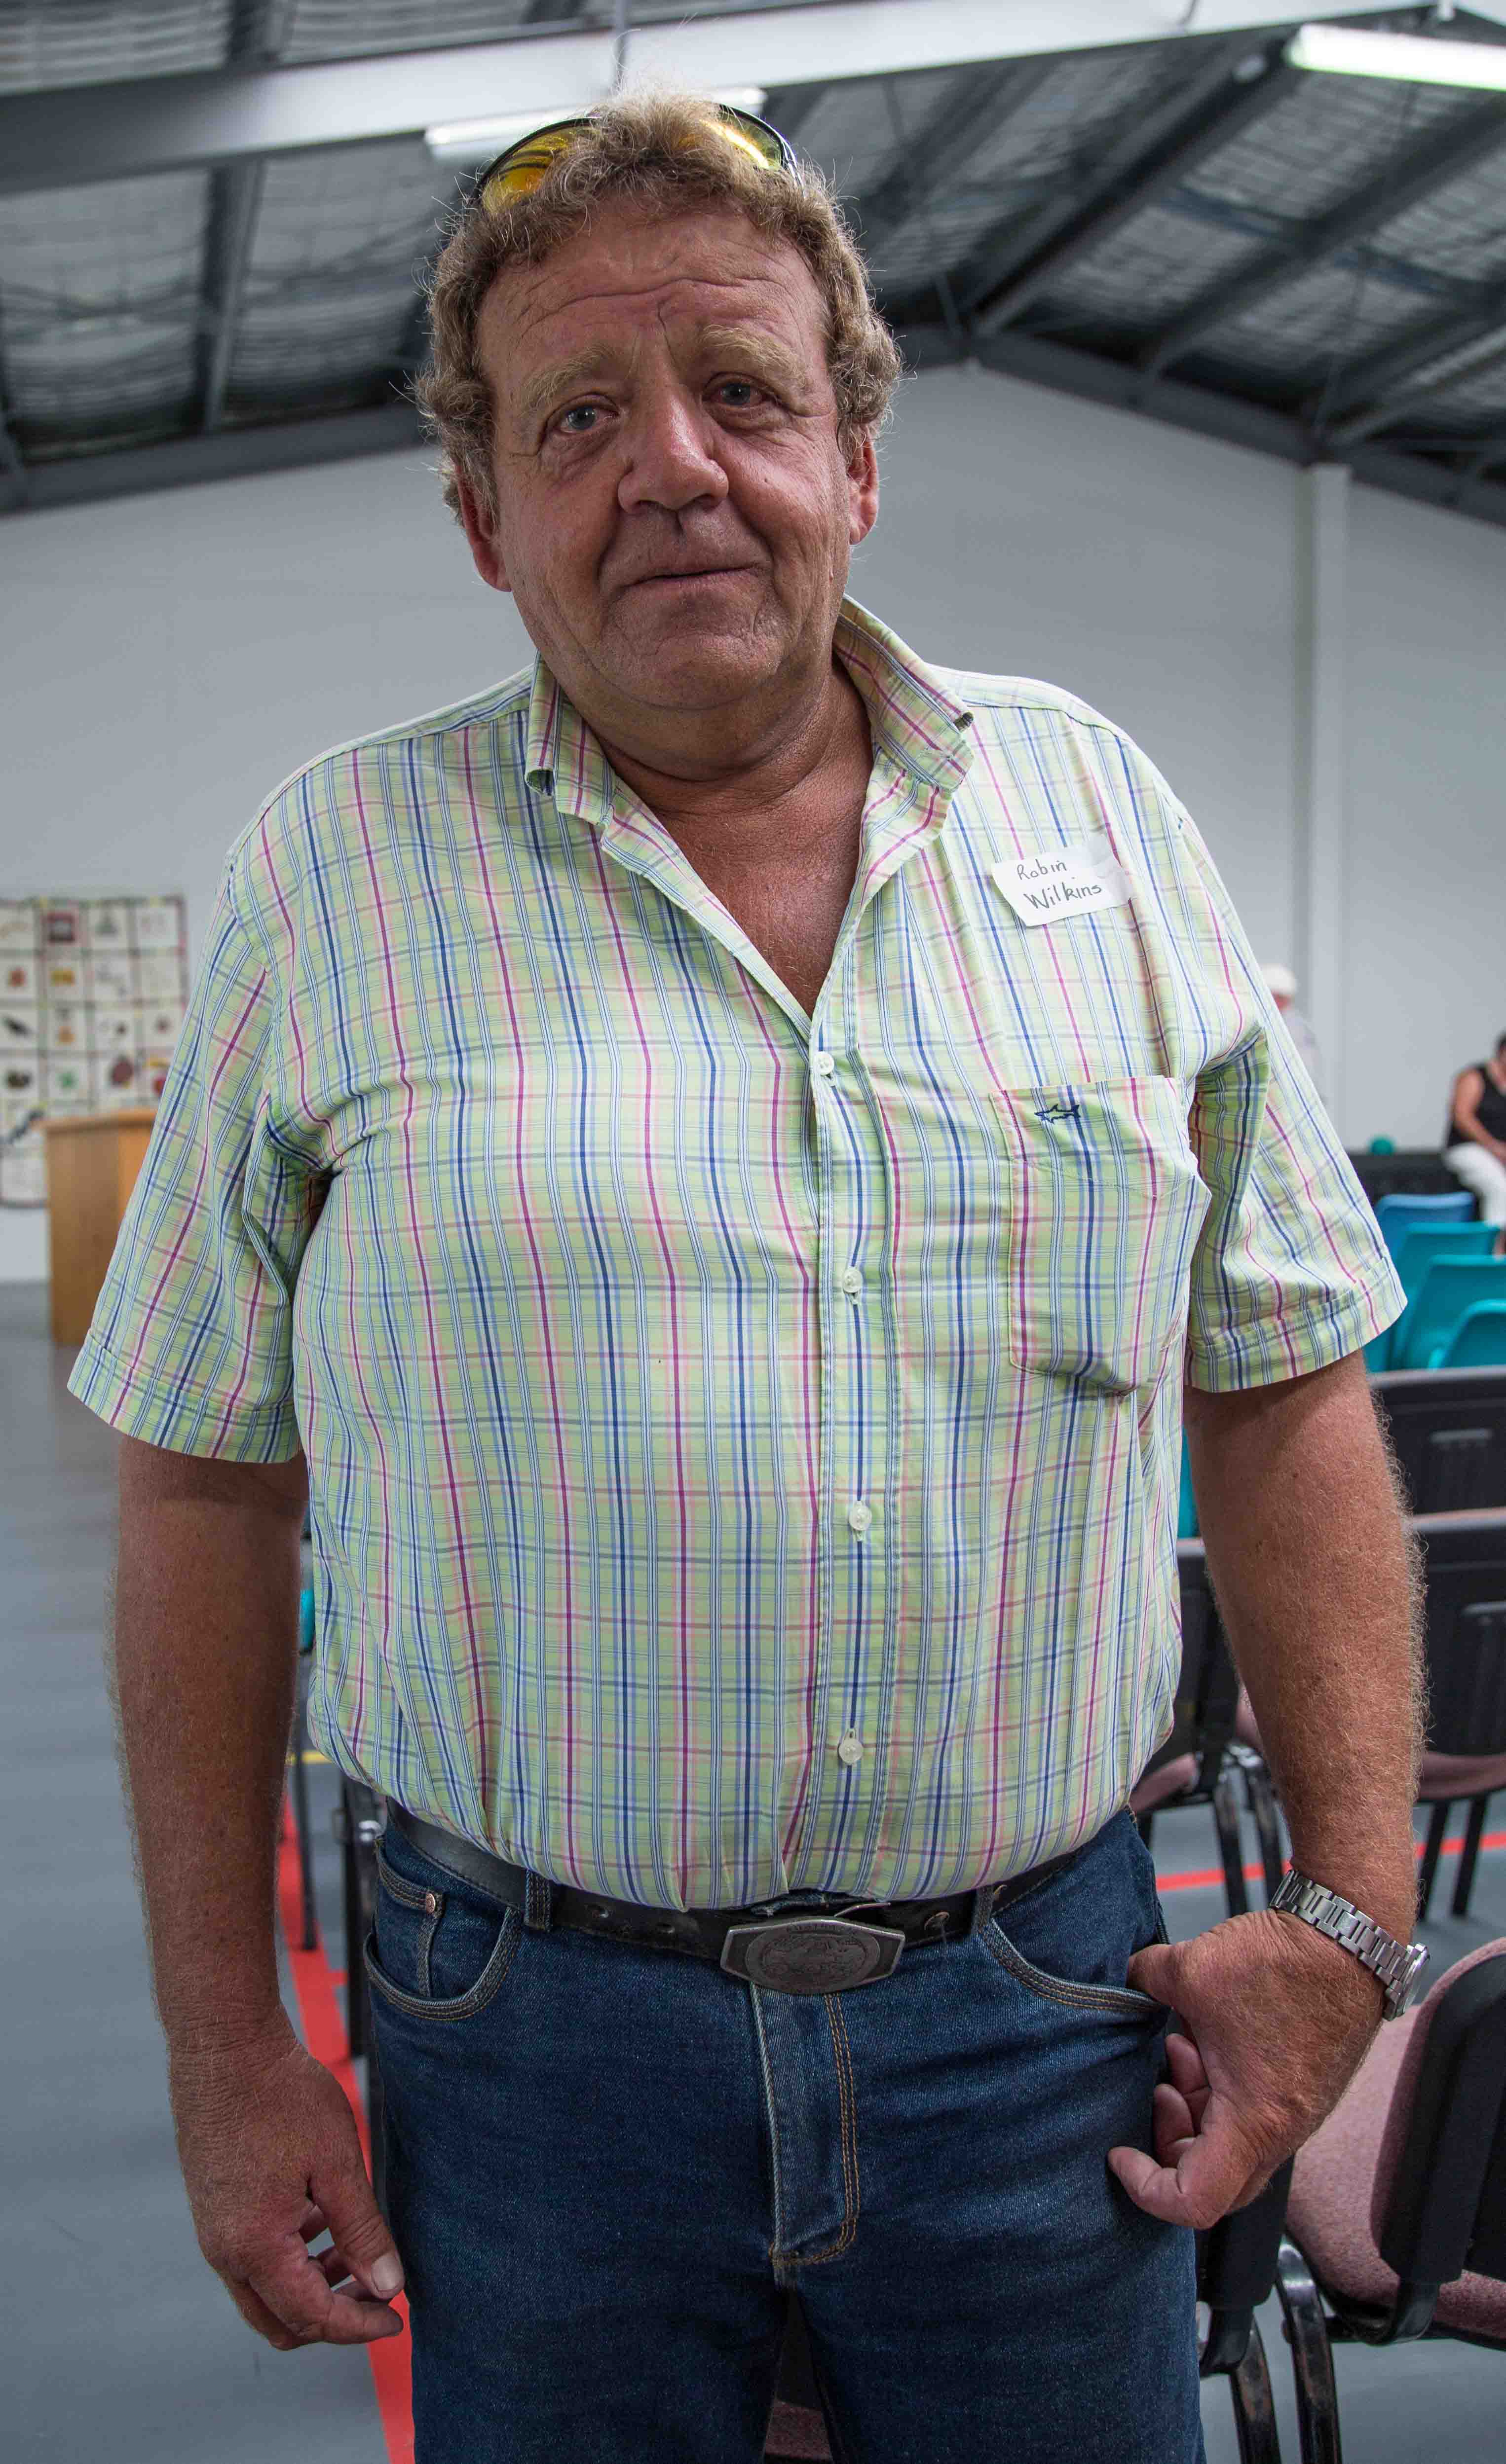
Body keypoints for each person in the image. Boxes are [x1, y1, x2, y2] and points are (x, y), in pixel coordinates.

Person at [72, 93, 1426, 2464]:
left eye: (741, 390)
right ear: (483, 517)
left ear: (855, 459)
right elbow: (203, 1483)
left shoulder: (1099, 817)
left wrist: (1351, 1921)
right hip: (521, 2038)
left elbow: (1286, 1383)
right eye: (578, 417)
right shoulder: (334, 877)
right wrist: (222, 2039)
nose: (675, 468)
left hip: (1050, 2015)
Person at [1444, 1033, 1506, 1228]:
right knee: (1499, 1188)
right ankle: (1494, 1245)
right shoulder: (1474, 1077)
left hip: (1501, 1152)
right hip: (1469, 1149)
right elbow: (1462, 1117)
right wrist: (1493, 1147)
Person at [1259, 959, 1326, 1101]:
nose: (1278, 1003)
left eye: (1282, 998)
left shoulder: (1298, 1028)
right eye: (1273, 997)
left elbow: (1308, 1069)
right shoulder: (1253, 1023)